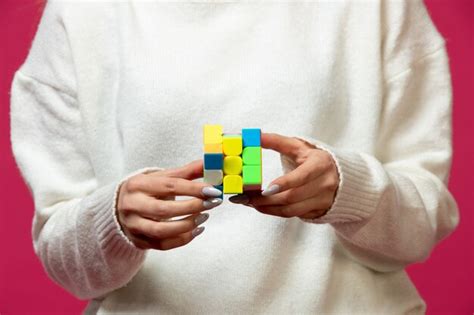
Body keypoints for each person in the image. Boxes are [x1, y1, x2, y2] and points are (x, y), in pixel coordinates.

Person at [10, 0, 460, 314]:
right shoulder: (84, 11)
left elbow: (425, 223)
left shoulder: (376, 6)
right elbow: (65, 259)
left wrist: (349, 190)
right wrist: (112, 222)